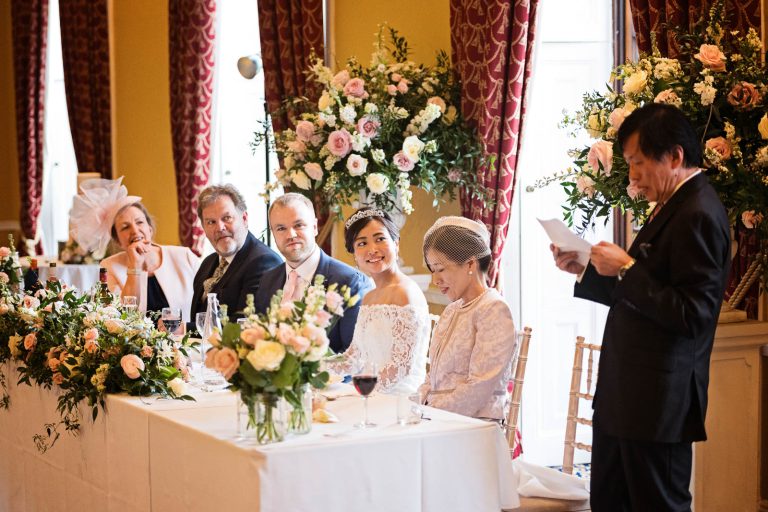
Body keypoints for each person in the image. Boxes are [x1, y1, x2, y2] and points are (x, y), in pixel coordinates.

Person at [551, 103, 730, 511]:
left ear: (675, 156)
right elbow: (640, 296)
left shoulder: (698, 212)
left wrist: (627, 267)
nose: (632, 176)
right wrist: (585, 270)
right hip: (627, 397)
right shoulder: (674, 205)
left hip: (657, 404)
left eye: (638, 162)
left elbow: (693, 315)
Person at [418, 216, 517, 421]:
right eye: (432, 271)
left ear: (470, 263)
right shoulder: (452, 310)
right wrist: (415, 405)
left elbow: (479, 388)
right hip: (440, 420)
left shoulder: (493, 309)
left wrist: (430, 412)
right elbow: (434, 377)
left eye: (441, 269)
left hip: (474, 427)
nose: (435, 280)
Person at [326, 208, 430, 393]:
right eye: (362, 243)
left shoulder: (405, 293)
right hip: (371, 393)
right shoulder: (370, 297)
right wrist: (314, 366)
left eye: (380, 239)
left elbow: (400, 368)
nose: (372, 249)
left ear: (396, 243)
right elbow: (354, 356)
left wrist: (360, 392)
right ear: (355, 255)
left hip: (398, 399)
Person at [71, 177, 200, 323]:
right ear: (118, 240)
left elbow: (208, 303)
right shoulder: (109, 267)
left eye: (139, 222)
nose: (135, 230)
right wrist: (135, 266)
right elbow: (122, 317)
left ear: (149, 229)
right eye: (125, 227)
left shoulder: (184, 256)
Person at [254, 193, 371, 353]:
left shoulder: (350, 282)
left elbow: (355, 357)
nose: (291, 235)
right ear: (273, 234)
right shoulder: (268, 280)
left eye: (299, 225)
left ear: (315, 227)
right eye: (281, 228)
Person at [191, 184, 282, 322]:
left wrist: (185, 328)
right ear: (203, 228)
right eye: (211, 222)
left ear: (244, 219)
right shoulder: (207, 263)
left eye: (227, 218)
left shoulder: (265, 262)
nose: (220, 228)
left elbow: (245, 323)